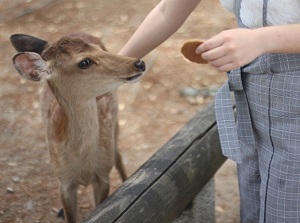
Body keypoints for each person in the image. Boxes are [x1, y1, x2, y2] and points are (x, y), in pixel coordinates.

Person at [119, 0, 300, 222]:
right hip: (254, 106)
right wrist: (115, 69)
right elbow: (167, 12)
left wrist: (261, 40)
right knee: (254, 203)